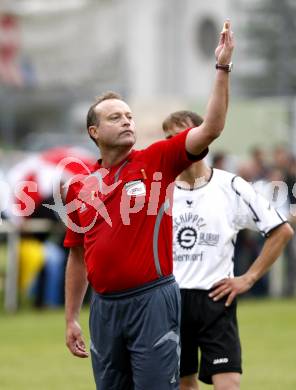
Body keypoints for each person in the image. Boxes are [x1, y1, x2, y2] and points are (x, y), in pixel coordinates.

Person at [63, 21, 234, 390]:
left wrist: (222, 68)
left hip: (152, 301)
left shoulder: (155, 160)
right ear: (94, 132)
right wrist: (71, 318)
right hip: (104, 310)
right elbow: (76, 255)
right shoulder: (79, 186)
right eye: (115, 117)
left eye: (129, 116)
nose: (126, 121)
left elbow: (212, 128)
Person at [162, 110, 294, 390]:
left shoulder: (230, 186)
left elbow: (281, 230)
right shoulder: (159, 189)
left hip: (215, 297)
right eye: (169, 139)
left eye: (182, 136)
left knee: (228, 385)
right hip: (170, 301)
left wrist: (249, 277)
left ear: (203, 136)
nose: (175, 144)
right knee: (184, 384)